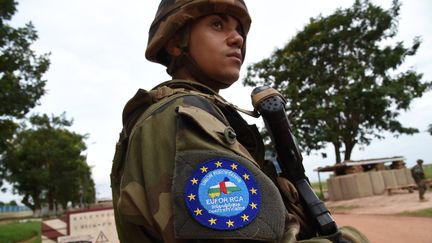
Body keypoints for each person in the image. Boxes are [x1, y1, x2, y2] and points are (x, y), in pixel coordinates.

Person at [110, 1, 369, 242]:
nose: (237, 39)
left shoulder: (191, 111)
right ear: (176, 42)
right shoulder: (186, 116)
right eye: (217, 24)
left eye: (239, 30)